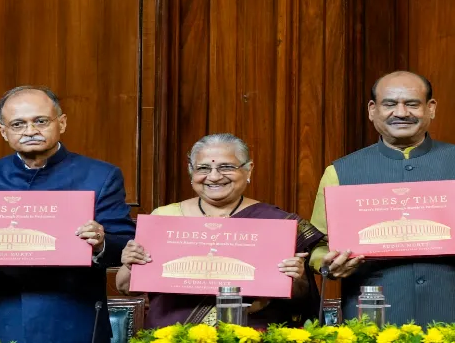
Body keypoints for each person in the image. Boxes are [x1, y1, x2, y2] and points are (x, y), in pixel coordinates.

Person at [0, 86, 136, 343]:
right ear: (4, 132)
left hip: (72, 317)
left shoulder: (101, 176)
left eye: (41, 121)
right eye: (18, 124)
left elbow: (124, 243)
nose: (30, 131)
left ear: (62, 123)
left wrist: (101, 242)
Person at [309, 71, 455, 326]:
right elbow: (317, 244)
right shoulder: (339, 172)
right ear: (372, 110)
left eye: (412, 104)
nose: (401, 113)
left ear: (430, 109)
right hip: (372, 319)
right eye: (389, 104)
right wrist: (326, 264)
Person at [116, 133, 324, 328]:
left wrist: (296, 277)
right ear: (191, 171)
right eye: (203, 168)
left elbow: (301, 296)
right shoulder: (164, 218)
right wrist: (130, 263)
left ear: (248, 169)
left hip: (252, 334)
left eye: (226, 167)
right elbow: (125, 287)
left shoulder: (277, 223)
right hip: (173, 334)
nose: (214, 177)